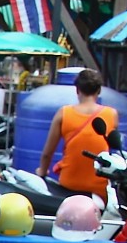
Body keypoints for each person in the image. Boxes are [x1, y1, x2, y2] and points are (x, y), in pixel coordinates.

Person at [36, 67, 118, 200]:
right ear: (99, 91)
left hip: (69, 186)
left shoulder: (64, 113)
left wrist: (42, 172)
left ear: (77, 90)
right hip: (99, 190)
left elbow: (47, 154)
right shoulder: (111, 114)